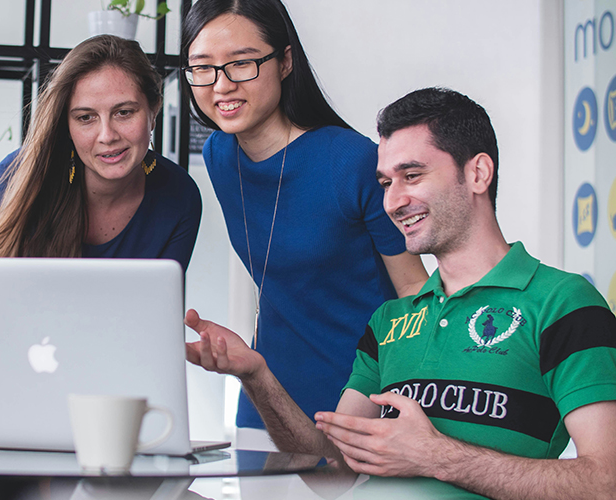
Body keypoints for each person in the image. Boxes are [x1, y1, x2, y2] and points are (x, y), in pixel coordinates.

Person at [186, 87, 616, 498]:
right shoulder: (388, 320)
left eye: (412, 175)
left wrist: (436, 456)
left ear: (477, 173)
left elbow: (606, 480)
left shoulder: (563, 302)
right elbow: (332, 473)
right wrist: (256, 375)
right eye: (386, 183)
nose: (393, 201)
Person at [180, 0, 428, 439]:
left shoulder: (350, 161)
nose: (221, 85)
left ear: (285, 61)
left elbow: (414, 293)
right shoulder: (220, 155)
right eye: (203, 67)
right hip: (266, 402)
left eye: (241, 64)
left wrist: (399, 403)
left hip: (362, 403)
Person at [0, 35, 202, 270]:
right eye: (86, 117)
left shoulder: (180, 196)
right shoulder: (11, 180)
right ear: (67, 126)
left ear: (153, 110)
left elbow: (160, 303)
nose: (107, 135)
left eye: (123, 112)